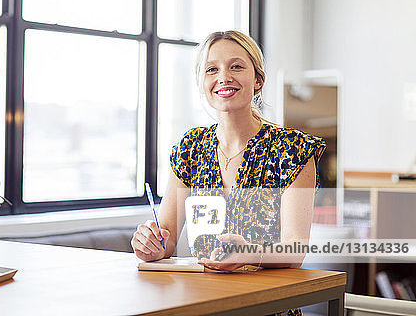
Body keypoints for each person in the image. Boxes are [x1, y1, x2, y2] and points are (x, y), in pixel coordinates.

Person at [131, 30, 326, 316]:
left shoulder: (293, 149)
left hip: (268, 308)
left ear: (257, 80)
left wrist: (249, 253)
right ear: (202, 82)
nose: (224, 77)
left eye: (236, 66)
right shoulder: (191, 147)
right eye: (212, 69)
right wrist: (152, 245)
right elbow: (168, 238)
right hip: (202, 304)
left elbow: (294, 249)